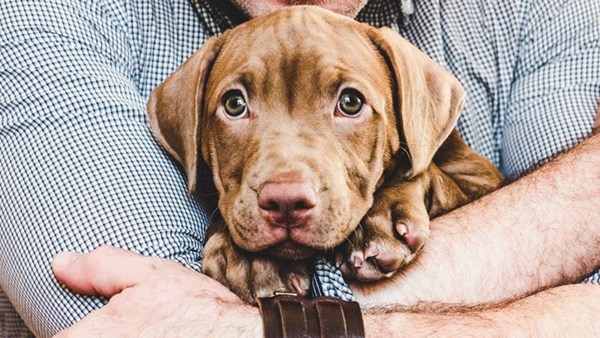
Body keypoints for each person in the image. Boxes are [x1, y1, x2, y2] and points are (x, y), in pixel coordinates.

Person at [0, 0, 598, 336]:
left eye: (349, 102)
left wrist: (237, 324)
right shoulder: (53, 16)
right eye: (236, 104)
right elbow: (127, 324)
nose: (288, 185)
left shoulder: (539, 12)